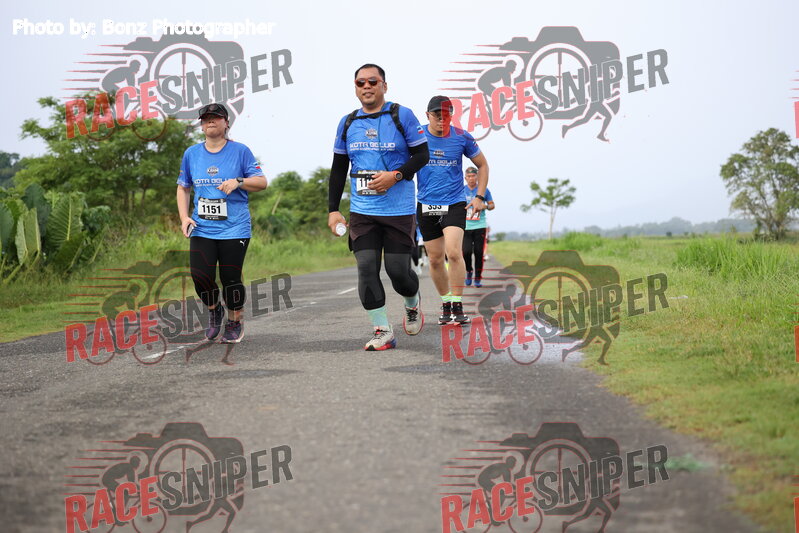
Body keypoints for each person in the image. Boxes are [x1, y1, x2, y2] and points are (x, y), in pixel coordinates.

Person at [328, 63, 430, 351]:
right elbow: (338, 169)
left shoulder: (401, 115)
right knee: (366, 268)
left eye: (372, 81)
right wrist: (333, 209)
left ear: (384, 86)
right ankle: (382, 330)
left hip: (398, 211)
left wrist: (395, 175)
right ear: (355, 88)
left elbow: (422, 155)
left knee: (398, 272)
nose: (367, 87)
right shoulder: (348, 122)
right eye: (360, 83)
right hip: (363, 211)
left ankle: (412, 303)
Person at [176, 102, 267, 344]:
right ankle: (214, 310)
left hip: (234, 228)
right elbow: (183, 187)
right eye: (205, 118)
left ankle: (235, 322)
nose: (210, 121)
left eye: (215, 117)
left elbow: (262, 182)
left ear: (226, 123)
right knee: (200, 276)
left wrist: (239, 181)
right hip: (202, 227)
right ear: (201, 125)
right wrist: (184, 217)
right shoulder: (191, 154)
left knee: (230, 278)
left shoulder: (240, 151)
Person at [417, 95, 489, 325]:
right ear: (427, 115)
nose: (442, 119)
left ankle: (457, 304)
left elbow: (482, 165)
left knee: (454, 252)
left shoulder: (461, 136)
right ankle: (446, 302)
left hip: (454, 203)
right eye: (437, 115)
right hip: (426, 203)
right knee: (435, 259)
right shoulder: (416, 135)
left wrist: (479, 196)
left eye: (446, 115)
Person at [462, 167, 495, 287]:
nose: (471, 178)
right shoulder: (461, 190)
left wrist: (484, 206)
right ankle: (469, 271)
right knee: (466, 252)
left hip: (480, 225)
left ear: (477, 177)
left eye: (473, 176)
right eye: (469, 176)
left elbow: (492, 205)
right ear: (465, 178)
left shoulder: (484, 190)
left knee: (479, 253)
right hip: (465, 226)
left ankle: (477, 278)